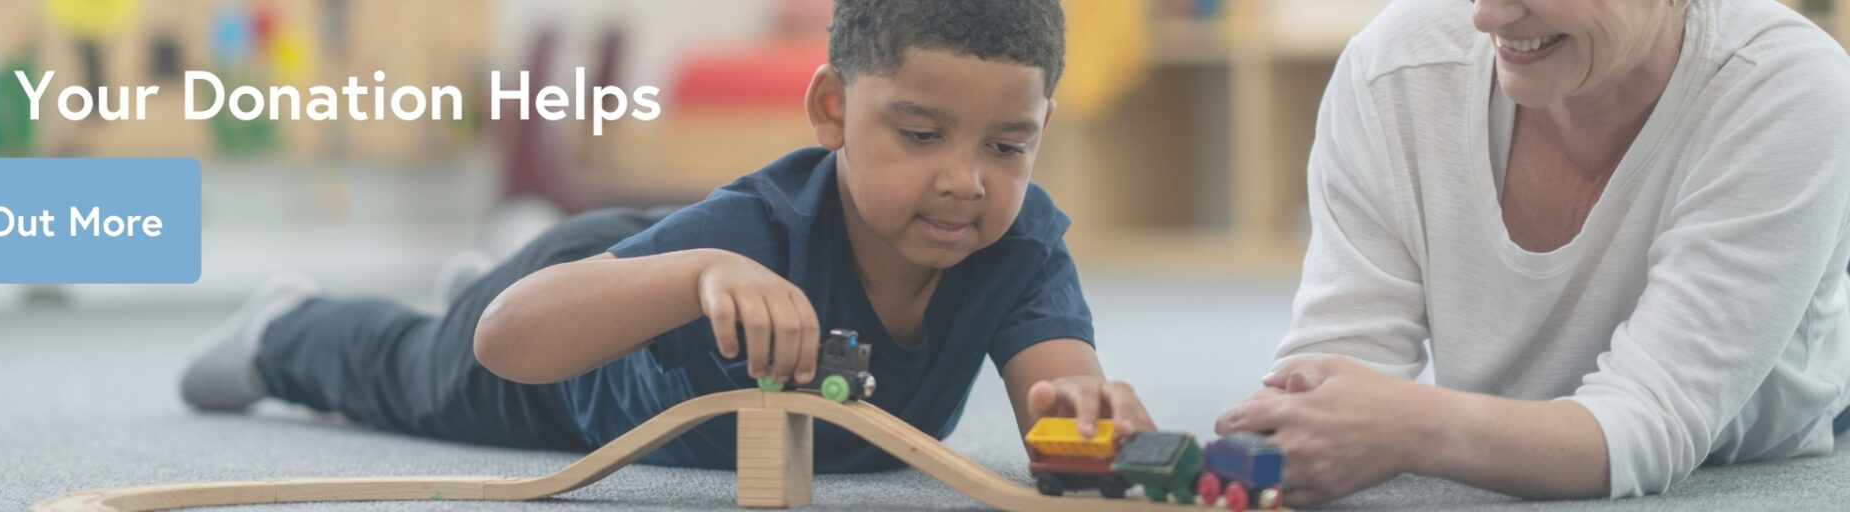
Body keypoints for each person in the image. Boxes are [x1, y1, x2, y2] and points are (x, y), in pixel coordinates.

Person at [179, 0, 1156, 473]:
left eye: (1006, 143)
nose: (963, 178)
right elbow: (504, 345)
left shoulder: (1016, 243)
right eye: (917, 133)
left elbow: (1056, 404)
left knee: (569, 282)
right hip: (569, 370)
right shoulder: (764, 226)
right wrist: (699, 268)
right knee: (414, 367)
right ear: (830, 110)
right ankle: (285, 324)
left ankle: (509, 270)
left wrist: (1082, 411)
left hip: (654, 261)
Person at [1214, 0, 1850, 505]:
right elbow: (1339, 359)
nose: (1486, 16)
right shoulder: (1391, 69)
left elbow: (1652, 420)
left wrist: (1414, 427)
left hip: (1752, 442)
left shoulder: (1788, 86)